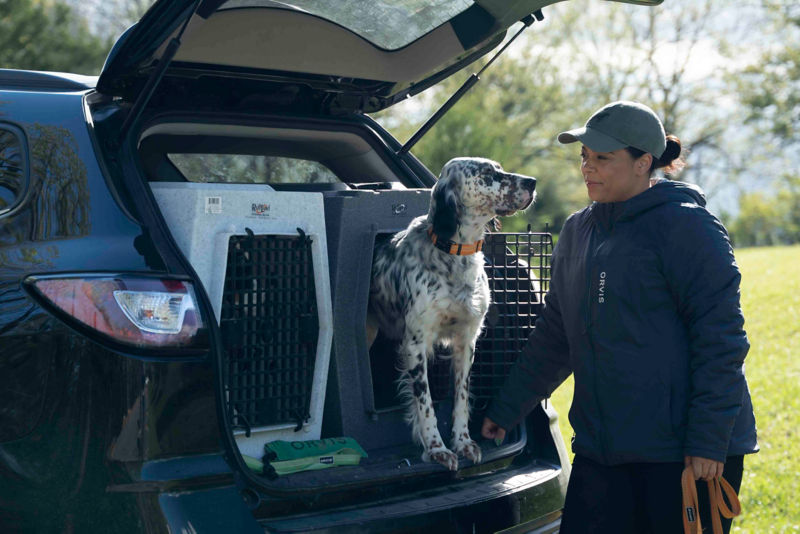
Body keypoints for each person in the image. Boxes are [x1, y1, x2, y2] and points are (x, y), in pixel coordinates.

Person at [481, 101, 758, 533]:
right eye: (584, 157)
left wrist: (707, 443)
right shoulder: (578, 230)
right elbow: (556, 334)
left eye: (603, 159)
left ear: (643, 162)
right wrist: (507, 407)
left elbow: (722, 342)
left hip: (683, 452)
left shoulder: (689, 228)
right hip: (603, 449)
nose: (588, 168)